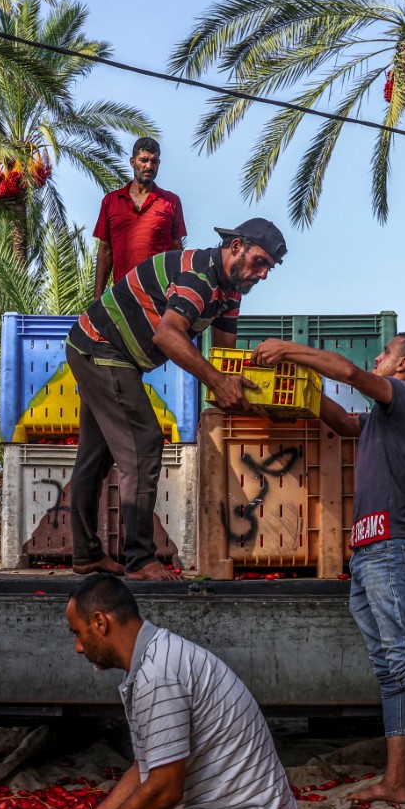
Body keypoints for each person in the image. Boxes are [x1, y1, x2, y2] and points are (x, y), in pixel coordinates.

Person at [253, 332, 405, 809]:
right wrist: (299, 387)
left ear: (402, 364)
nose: (376, 358)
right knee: (389, 669)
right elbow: (340, 421)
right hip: (368, 552)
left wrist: (288, 350)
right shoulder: (383, 418)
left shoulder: (402, 395)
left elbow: (348, 373)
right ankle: (397, 780)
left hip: (389, 551)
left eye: (383, 353)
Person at [38, 574, 313, 809]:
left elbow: (165, 790)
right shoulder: (154, 657)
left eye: (78, 633)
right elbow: (143, 768)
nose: (78, 647)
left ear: (100, 622)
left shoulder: (158, 676)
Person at [67, 218, 286, 579]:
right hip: (100, 348)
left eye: (269, 269)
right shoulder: (198, 275)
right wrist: (217, 383)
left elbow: (223, 356)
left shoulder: (230, 293)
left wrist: (242, 389)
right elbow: (168, 336)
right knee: (144, 442)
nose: (262, 275)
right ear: (236, 247)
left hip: (104, 352)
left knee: (95, 455)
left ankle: (86, 555)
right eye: (259, 262)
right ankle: (140, 559)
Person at [92, 137, 186, 299]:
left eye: (154, 161)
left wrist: (180, 294)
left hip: (160, 296)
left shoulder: (171, 201)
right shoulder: (111, 201)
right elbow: (105, 251)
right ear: (133, 161)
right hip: (123, 295)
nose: (149, 166)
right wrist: (97, 296)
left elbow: (176, 250)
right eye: (144, 160)